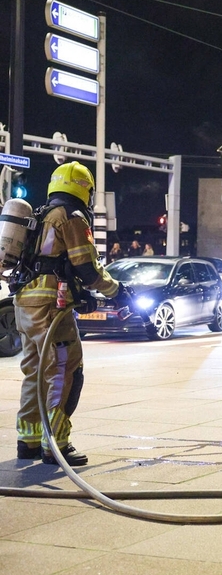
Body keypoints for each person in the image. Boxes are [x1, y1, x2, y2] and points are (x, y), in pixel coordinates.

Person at [14, 162, 131, 466]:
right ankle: (56, 443)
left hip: (26, 301)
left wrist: (83, 297)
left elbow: (55, 265)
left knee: (35, 371)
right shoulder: (71, 217)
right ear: (84, 189)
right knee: (66, 372)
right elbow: (87, 268)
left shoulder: (40, 215)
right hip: (52, 307)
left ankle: (28, 440)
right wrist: (116, 290)